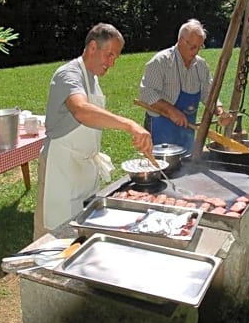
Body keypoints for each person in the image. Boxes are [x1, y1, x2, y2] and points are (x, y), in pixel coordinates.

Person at [34, 23, 153, 238]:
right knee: (52, 235)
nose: (112, 63)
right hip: (61, 167)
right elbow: (81, 110)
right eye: (109, 55)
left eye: (115, 58)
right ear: (92, 48)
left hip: (82, 167)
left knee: (81, 230)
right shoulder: (68, 74)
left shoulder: (93, 78)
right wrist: (129, 124)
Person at [138, 19, 233, 151]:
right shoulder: (160, 62)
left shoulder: (201, 65)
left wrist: (220, 111)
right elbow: (146, 93)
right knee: (162, 169)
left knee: (186, 167)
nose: (196, 52)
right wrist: (171, 111)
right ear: (181, 41)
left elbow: (208, 93)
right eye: (193, 47)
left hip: (187, 130)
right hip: (160, 128)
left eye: (200, 47)